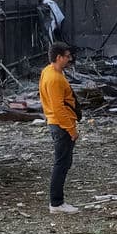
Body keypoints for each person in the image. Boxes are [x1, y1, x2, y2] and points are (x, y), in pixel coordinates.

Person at [39, 43, 80, 213]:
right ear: (58, 57)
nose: (69, 59)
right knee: (62, 163)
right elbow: (58, 108)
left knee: (63, 162)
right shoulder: (54, 79)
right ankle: (56, 202)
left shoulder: (49, 71)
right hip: (60, 125)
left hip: (56, 122)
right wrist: (72, 130)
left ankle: (57, 201)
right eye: (67, 56)